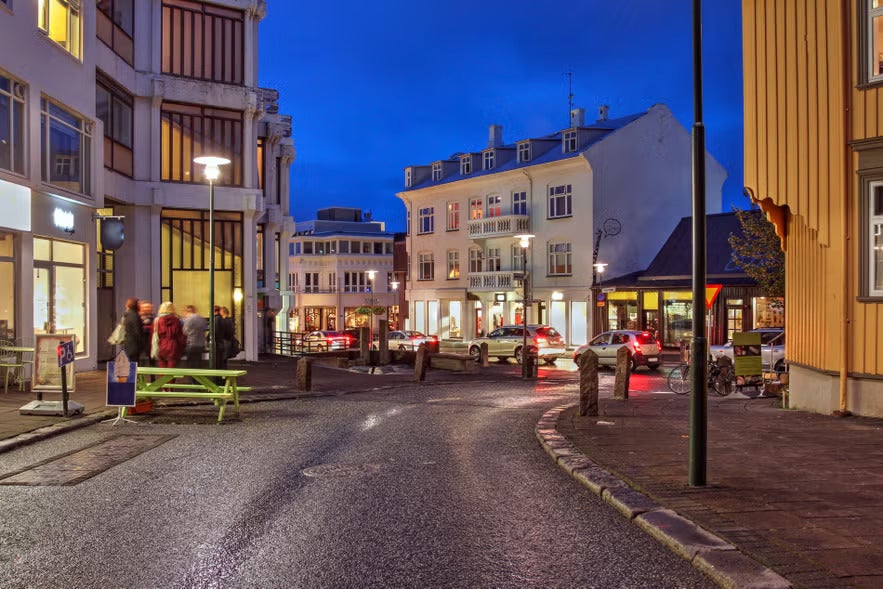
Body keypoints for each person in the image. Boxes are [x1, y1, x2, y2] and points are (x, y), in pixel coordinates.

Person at [153, 301, 187, 368]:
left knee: (162, 367)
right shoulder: (177, 320)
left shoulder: (157, 320)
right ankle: (171, 379)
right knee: (172, 368)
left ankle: (162, 379)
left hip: (161, 345)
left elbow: (155, 334)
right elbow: (181, 335)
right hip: (174, 346)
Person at [182, 305, 207, 370]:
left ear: (187, 311)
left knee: (191, 365)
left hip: (191, 344)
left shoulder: (188, 319)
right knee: (198, 364)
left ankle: (193, 379)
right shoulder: (202, 319)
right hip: (201, 344)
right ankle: (198, 379)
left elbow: (185, 331)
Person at [121, 297, 145, 362]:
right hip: (134, 345)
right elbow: (137, 331)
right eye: (138, 304)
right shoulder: (135, 316)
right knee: (134, 364)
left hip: (128, 343)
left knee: (131, 363)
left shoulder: (127, 315)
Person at [212, 305, 232, 371]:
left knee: (222, 360)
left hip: (224, 341)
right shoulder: (229, 320)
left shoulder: (225, 320)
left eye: (220, 311)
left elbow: (223, 332)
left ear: (223, 312)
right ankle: (223, 375)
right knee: (223, 360)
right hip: (226, 341)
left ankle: (222, 376)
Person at [138, 300, 155, 367]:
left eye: (149, 307)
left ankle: (152, 376)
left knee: (151, 359)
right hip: (141, 341)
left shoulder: (153, 317)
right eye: (146, 307)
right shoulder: (138, 317)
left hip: (149, 341)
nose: (148, 309)